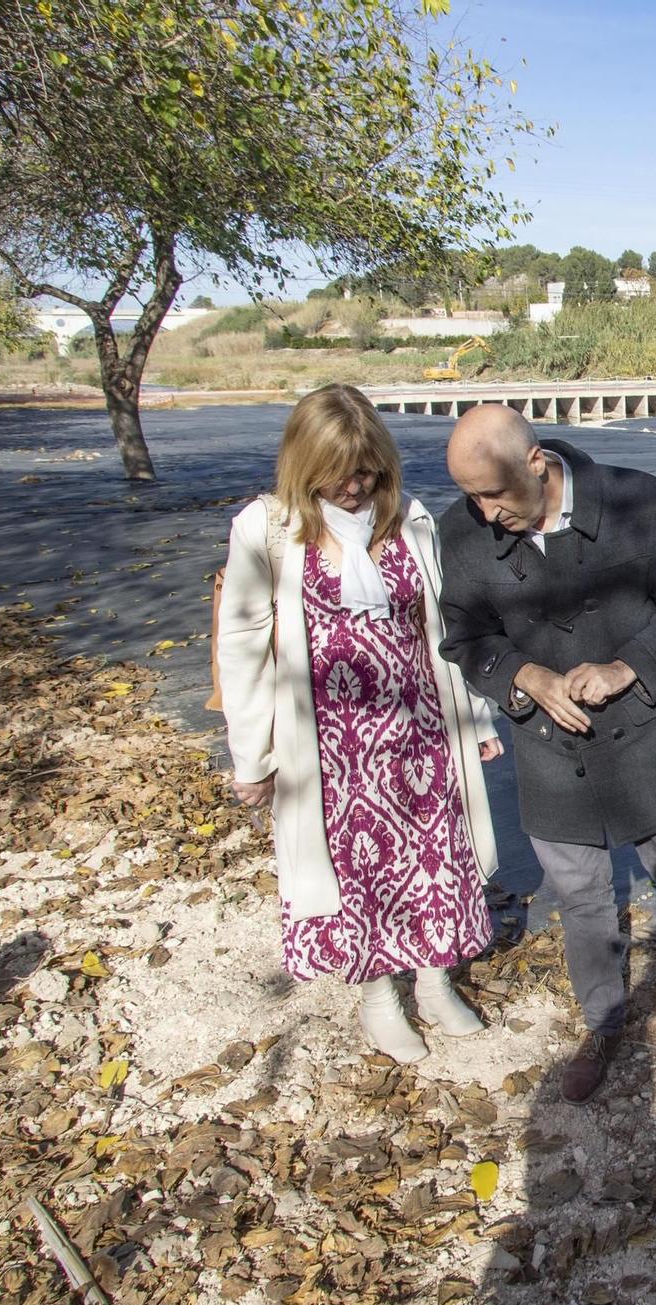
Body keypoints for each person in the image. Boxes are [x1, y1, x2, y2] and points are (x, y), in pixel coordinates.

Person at [437, 405, 656, 1104]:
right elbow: (464, 639)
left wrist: (628, 667)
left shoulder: (638, 498)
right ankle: (603, 1019)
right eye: (470, 495)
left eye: (493, 493)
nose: (482, 512)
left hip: (648, 738)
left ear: (537, 462)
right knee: (579, 893)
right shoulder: (462, 531)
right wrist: (524, 677)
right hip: (545, 748)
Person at [217, 383, 503, 1064]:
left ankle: (434, 984)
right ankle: (380, 997)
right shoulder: (268, 528)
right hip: (329, 746)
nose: (354, 487)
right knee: (357, 870)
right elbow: (244, 643)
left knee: (438, 856)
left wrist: (481, 716)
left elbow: (445, 624)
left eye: (367, 470)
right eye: (339, 473)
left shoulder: (407, 518)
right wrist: (252, 758)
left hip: (422, 727)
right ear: (303, 464)